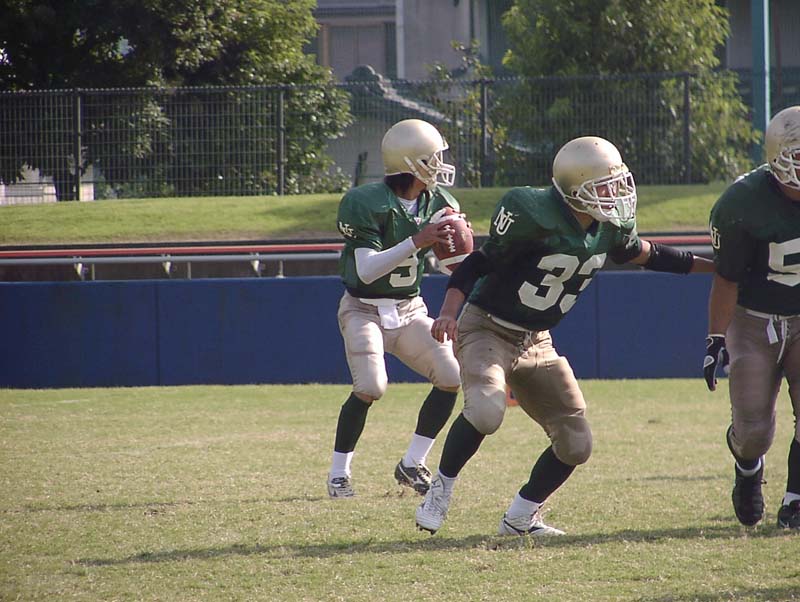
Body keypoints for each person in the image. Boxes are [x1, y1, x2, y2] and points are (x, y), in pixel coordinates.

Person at [414, 135, 714, 535]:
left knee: (576, 444)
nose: (615, 194)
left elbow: (648, 254)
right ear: (575, 189)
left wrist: (714, 267)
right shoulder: (532, 212)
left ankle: (520, 518)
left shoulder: (608, 227)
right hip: (488, 326)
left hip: (536, 339)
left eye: (617, 184)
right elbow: (476, 264)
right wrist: (449, 312)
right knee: (486, 411)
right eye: (604, 187)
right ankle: (441, 489)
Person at [326, 118, 463, 498]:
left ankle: (412, 463)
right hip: (363, 308)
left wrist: (456, 250)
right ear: (411, 162)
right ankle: (339, 473)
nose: (440, 164)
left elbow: (451, 266)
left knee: (450, 375)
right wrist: (417, 241)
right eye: (433, 157)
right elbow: (366, 269)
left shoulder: (439, 203)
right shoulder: (365, 202)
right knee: (371, 386)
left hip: (408, 309)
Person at [703, 105, 800, 530]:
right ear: (778, 157)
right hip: (753, 319)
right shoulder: (742, 202)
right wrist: (715, 339)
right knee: (753, 431)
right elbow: (726, 278)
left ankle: (795, 500)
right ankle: (747, 468)